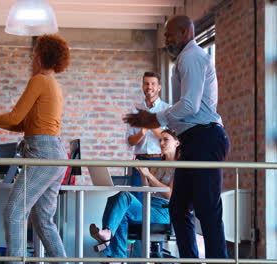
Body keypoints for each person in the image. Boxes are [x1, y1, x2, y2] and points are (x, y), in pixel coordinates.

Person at [123, 15, 230, 261]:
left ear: (185, 32)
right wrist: (155, 119)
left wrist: (155, 119)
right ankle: (190, 258)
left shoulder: (191, 57)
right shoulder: (185, 59)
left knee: (207, 210)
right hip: (193, 140)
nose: (166, 38)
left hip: (206, 138)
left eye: (169, 34)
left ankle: (218, 260)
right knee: (178, 207)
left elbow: (191, 106)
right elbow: (187, 110)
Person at [0, 34, 70, 264]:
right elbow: (20, 124)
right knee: (43, 219)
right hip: (53, 153)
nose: (32, 57)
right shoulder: (52, 85)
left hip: (43, 154)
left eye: (35, 53)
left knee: (14, 212)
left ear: (40, 56)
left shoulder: (40, 80)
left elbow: (15, 116)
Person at [89, 129, 179, 259]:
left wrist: (148, 175)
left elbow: (170, 194)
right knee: (118, 205)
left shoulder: (180, 165)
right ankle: (117, 256)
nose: (162, 143)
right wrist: (143, 173)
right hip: (150, 204)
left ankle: (108, 237)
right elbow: (147, 188)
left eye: (166, 139)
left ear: (177, 143)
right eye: (160, 140)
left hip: (164, 211)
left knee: (124, 197)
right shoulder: (159, 164)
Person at [126, 72, 171, 200]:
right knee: (136, 201)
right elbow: (130, 141)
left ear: (159, 87)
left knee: (157, 200)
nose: (149, 87)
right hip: (139, 161)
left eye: (153, 84)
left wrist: (149, 122)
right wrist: (142, 131)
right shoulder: (134, 111)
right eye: (146, 84)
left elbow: (169, 138)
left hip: (160, 162)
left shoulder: (168, 109)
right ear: (142, 86)